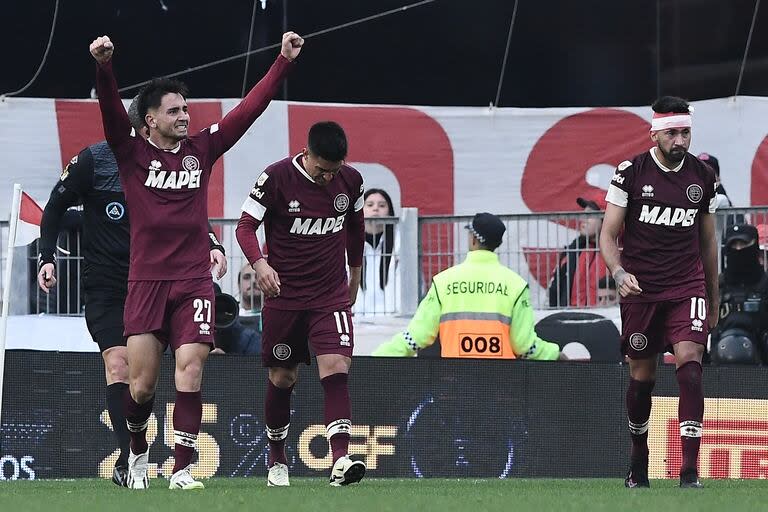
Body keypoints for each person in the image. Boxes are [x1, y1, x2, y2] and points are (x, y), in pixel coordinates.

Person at [89, 30, 302, 490]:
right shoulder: (130, 154)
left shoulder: (201, 150)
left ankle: (182, 468)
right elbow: (109, 113)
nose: (184, 116)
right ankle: (139, 453)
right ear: (149, 120)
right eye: (174, 111)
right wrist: (105, 69)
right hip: (145, 283)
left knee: (190, 367)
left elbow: (247, 111)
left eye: (186, 109)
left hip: (192, 280)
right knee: (141, 387)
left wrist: (282, 62)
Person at [36, 98, 227, 487]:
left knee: (149, 380)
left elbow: (186, 210)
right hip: (108, 284)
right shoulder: (96, 161)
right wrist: (46, 256)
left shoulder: (168, 163)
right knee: (120, 365)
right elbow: (55, 207)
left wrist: (212, 241)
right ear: (143, 126)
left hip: (160, 280)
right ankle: (130, 457)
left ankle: (159, 459)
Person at [235, 121, 367, 487]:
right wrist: (259, 265)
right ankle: (277, 455)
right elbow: (245, 226)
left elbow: (356, 230)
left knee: (336, 365)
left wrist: (354, 276)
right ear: (306, 154)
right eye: (322, 169)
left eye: (334, 170)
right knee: (282, 376)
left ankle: (340, 458)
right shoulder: (275, 177)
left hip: (330, 294)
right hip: (284, 296)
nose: (328, 177)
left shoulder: (351, 181)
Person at [599, 96, 719, 489]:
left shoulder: (702, 177)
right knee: (643, 377)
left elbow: (708, 244)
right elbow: (607, 234)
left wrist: (714, 299)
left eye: (685, 132)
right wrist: (617, 271)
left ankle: (689, 471)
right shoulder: (630, 172)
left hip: (687, 285)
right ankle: (639, 458)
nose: (680, 140)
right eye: (672, 133)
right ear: (655, 133)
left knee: (690, 360)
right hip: (641, 289)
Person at [373, 212, 564, 360]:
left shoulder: (444, 282)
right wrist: (555, 353)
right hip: (502, 384)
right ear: (497, 244)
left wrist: (375, 357)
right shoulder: (516, 285)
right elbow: (524, 345)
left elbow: (416, 338)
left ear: (473, 239)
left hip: (456, 384)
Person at [711, 224, 768, 364]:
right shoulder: (718, 285)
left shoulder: (765, 284)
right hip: (721, 352)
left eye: (743, 244)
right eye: (734, 245)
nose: (738, 249)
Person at [548, 192, 608, 307]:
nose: (583, 219)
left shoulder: (620, 254)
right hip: (572, 320)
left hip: (607, 320)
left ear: (605, 219)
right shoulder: (571, 252)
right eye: (584, 214)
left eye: (589, 215)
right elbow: (554, 292)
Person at [353, 188, 399, 316]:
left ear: (390, 212)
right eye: (369, 205)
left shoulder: (400, 244)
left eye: (382, 205)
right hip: (357, 321)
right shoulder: (347, 244)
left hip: (393, 321)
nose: (375, 209)